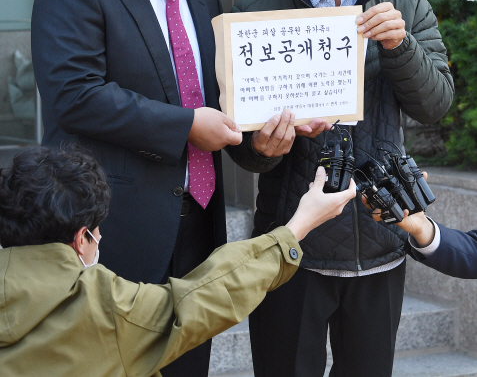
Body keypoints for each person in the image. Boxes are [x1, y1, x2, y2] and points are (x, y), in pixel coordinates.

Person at [31, 0, 325, 377]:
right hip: (111, 229)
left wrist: (265, 142)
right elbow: (75, 95)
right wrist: (188, 124)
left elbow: (220, 107)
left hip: (199, 228)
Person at [232, 0, 454, 377]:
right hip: (294, 241)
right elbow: (244, 143)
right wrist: (262, 148)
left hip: (382, 230)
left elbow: (435, 104)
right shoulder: (257, 11)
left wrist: (401, 47)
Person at [0, 146, 356, 377]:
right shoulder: (102, 306)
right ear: (82, 238)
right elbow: (200, 300)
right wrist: (295, 229)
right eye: (97, 231)